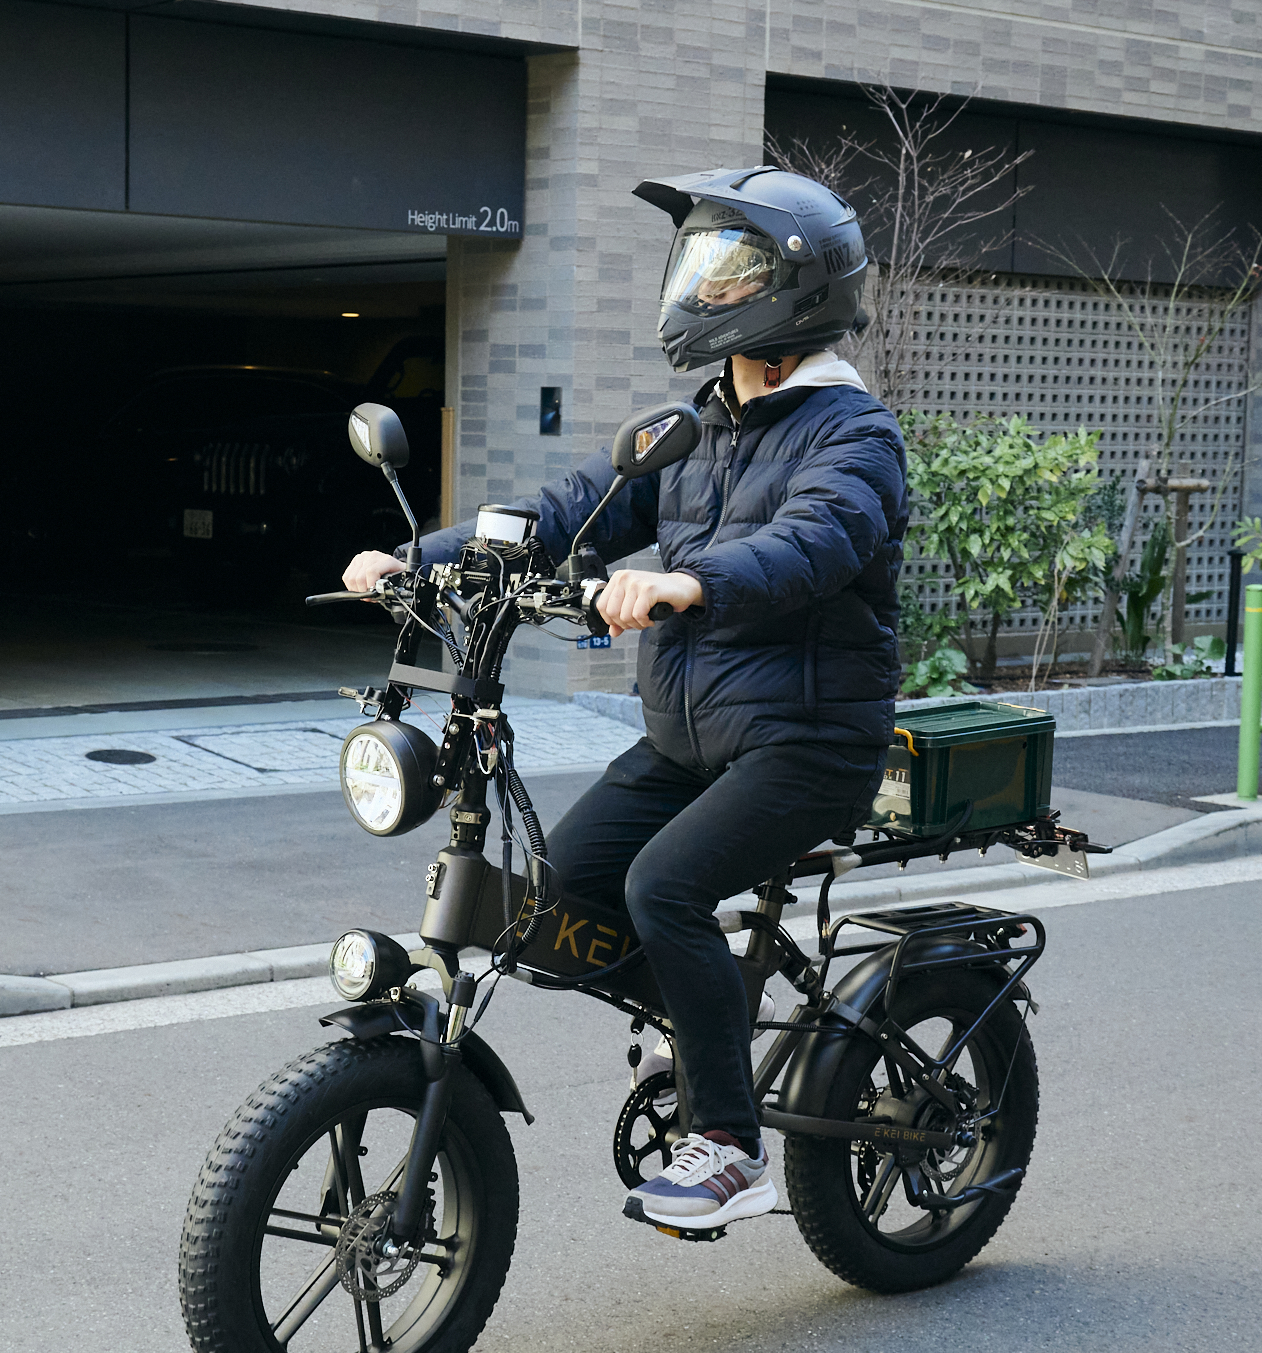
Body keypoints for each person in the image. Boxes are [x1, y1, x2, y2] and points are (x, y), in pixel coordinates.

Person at [342, 166, 906, 1231]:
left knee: (663, 889)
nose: (702, 286)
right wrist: (422, 556)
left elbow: (815, 542)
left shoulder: (852, 436)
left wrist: (690, 580)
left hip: (809, 741)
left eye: (728, 269)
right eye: (698, 265)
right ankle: (702, 1019)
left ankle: (732, 1148)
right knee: (550, 901)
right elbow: (566, 513)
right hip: (691, 739)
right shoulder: (699, 424)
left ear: (796, 288)